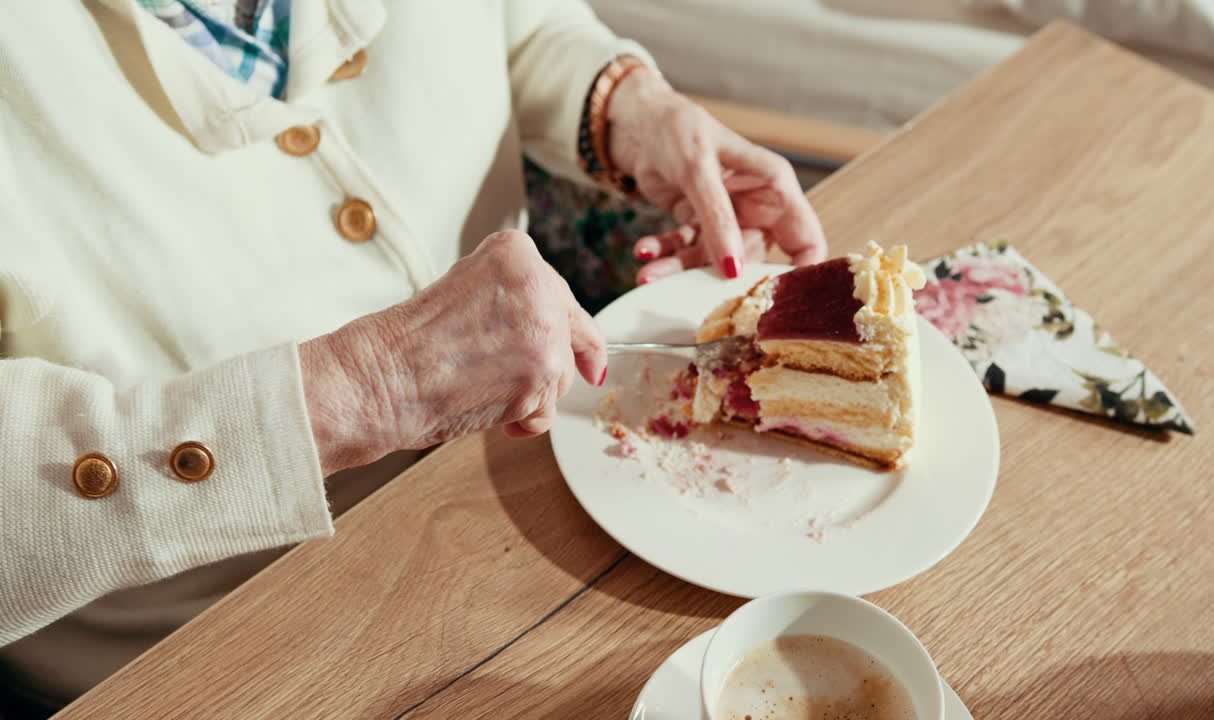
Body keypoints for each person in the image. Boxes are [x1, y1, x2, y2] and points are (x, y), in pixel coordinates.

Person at [0, 0, 826, 713]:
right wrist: (368, 387)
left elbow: (515, 23)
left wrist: (620, 103)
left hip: (531, 488)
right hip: (215, 655)